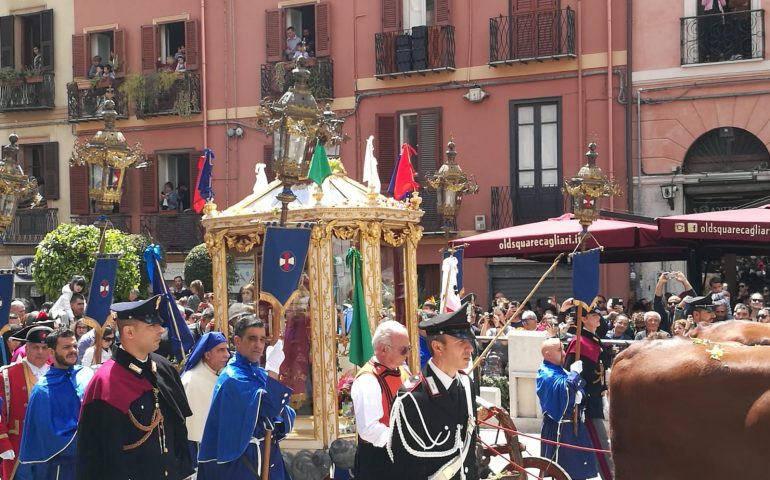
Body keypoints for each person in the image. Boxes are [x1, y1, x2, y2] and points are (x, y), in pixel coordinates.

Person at [76, 295, 194, 479]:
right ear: (129, 332)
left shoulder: (164, 368)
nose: (161, 330)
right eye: (151, 326)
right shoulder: (105, 382)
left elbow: (178, 431)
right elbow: (92, 453)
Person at [388, 303, 478, 480]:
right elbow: (403, 469)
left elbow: (469, 456)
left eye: (470, 341)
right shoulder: (411, 397)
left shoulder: (467, 385)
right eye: (461, 342)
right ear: (437, 347)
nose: (470, 348)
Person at [198, 316, 294, 479]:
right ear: (237, 340)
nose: (258, 345)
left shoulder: (259, 373)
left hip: (268, 455)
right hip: (243, 461)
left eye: (262, 339)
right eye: (252, 338)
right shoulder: (232, 377)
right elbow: (268, 408)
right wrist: (273, 370)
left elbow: (284, 412)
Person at [16, 328, 94, 480]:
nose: (72, 351)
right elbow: (48, 437)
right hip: (62, 467)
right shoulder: (42, 390)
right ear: (51, 353)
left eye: (74, 346)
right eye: (66, 347)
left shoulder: (87, 374)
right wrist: (90, 439)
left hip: (91, 461)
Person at [351, 321, 410, 479]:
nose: (407, 354)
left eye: (408, 349)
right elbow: (369, 430)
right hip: (378, 461)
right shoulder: (368, 380)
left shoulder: (403, 372)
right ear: (384, 349)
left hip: (402, 456)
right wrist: (405, 442)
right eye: (404, 350)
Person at [536, 338, 597, 480]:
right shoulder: (546, 373)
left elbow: (573, 387)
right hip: (560, 428)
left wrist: (579, 393)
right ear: (547, 354)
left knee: (578, 468)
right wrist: (574, 374)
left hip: (573, 425)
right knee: (564, 470)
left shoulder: (559, 370)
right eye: (559, 350)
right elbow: (563, 390)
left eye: (563, 349)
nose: (564, 353)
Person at [564, 308, 613, 479]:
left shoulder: (593, 339)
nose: (598, 317)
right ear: (583, 319)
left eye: (598, 315)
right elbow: (569, 372)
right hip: (586, 402)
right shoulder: (579, 342)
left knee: (601, 442)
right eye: (593, 315)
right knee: (600, 443)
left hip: (596, 398)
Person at [0, 325, 53, 479]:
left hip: (51, 448)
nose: (40, 352)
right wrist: (2, 442)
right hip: (19, 447)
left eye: (45, 347)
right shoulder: (7, 375)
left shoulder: (59, 374)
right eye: (35, 347)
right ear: (26, 347)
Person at [180, 332, 229, 474]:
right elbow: (192, 431)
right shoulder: (192, 380)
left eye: (227, 349)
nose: (227, 355)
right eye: (221, 350)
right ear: (207, 355)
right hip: (197, 450)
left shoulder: (216, 374)